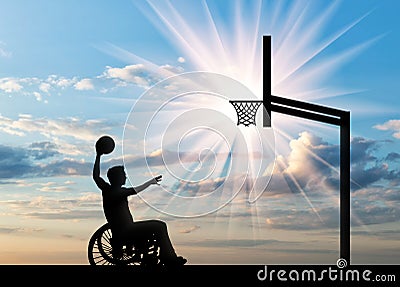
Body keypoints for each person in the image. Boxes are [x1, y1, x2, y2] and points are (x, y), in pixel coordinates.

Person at [93, 148, 187, 266]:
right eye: (124, 175)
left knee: (155, 227)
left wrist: (98, 156)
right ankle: (167, 258)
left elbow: (96, 177)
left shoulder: (107, 190)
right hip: (125, 231)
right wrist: (150, 183)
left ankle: (160, 257)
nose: (126, 177)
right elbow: (135, 191)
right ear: (118, 178)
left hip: (125, 229)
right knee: (160, 226)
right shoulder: (115, 192)